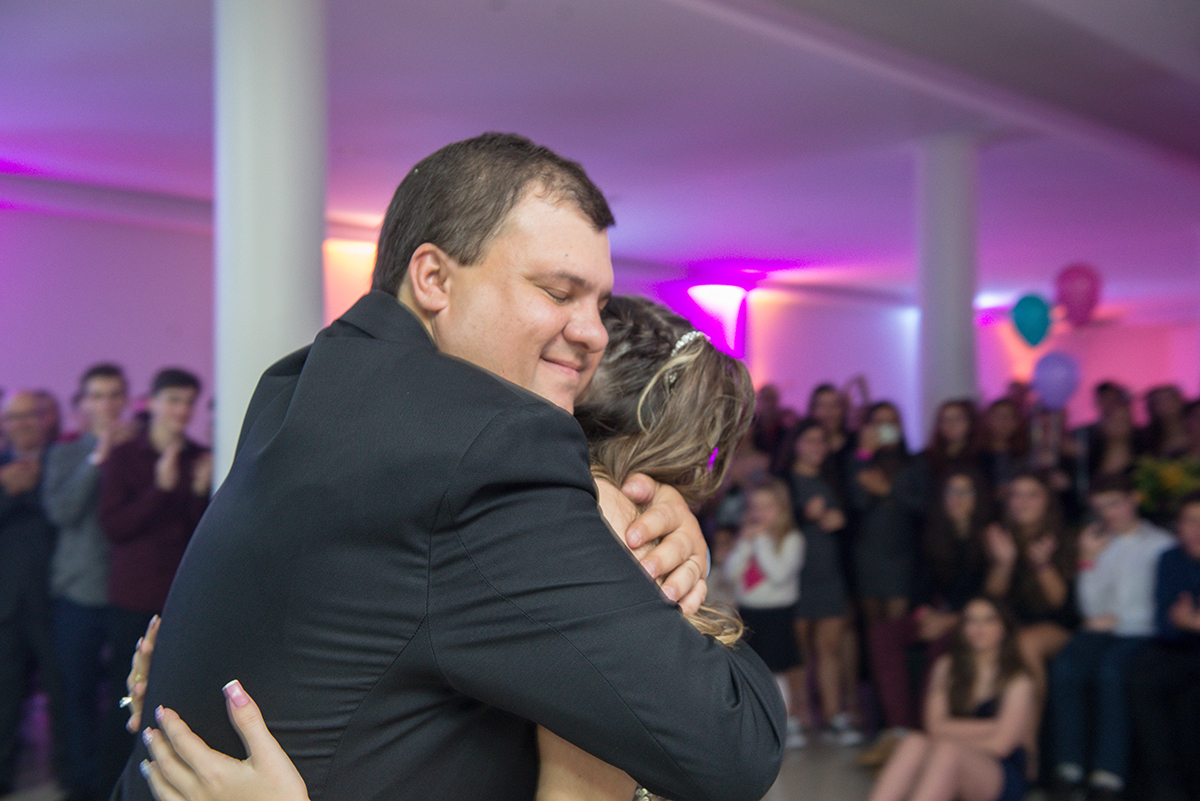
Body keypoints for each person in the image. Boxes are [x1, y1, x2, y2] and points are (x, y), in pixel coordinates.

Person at [115, 133, 783, 801]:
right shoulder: (492, 451)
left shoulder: (297, 385)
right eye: (559, 291)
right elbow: (736, 743)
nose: (594, 331)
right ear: (433, 277)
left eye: (600, 304)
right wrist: (669, 587)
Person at [99, 368, 211, 796]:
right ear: (154, 403)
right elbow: (113, 527)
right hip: (132, 596)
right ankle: (114, 785)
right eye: (173, 400)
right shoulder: (127, 456)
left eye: (188, 402)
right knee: (125, 699)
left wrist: (201, 493)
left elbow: (202, 538)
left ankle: (162, 784)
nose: (181, 410)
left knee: (172, 697)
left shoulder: (197, 456)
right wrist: (160, 490)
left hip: (176, 598)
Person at [1049, 473, 1173, 801]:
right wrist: (1087, 560)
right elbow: (1089, 609)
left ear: (1133, 499)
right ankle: (1069, 769)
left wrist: (1119, 621)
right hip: (1105, 630)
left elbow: (1161, 606)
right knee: (1065, 667)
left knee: (1111, 672)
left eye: (1115, 504)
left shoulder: (1160, 544)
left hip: (1142, 632)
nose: (1109, 514)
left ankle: (1109, 775)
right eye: (1101, 507)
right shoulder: (1098, 541)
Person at [42, 364, 133, 801]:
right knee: (75, 692)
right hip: (77, 591)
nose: (106, 404)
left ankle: (115, 778)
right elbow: (62, 511)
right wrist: (98, 455)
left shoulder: (140, 451)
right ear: (82, 404)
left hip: (126, 593)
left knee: (124, 695)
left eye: (114, 394)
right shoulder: (65, 453)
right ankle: (83, 781)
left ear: (126, 400)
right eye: (96, 395)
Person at [867, 596, 1037, 801]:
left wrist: (950, 735)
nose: (979, 628)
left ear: (1004, 628)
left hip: (999, 771)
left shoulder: (1018, 679)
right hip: (952, 756)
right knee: (914, 741)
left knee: (948, 751)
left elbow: (1001, 745)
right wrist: (992, 726)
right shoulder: (947, 666)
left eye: (988, 620)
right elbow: (934, 726)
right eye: (971, 621)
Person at [0, 389, 64, 796]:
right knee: (4, 702)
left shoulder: (66, 460)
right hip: (6, 606)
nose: (21, 423)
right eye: (13, 417)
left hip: (58, 603)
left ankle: (73, 780)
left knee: (65, 701)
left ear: (46, 418)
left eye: (29, 415)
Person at [786, 418, 860, 745]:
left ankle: (834, 717)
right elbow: (765, 518)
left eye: (822, 441)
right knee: (798, 653)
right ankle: (799, 718)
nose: (816, 447)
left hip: (829, 574)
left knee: (829, 649)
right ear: (796, 445)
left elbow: (856, 521)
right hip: (793, 578)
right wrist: (804, 516)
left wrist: (842, 522)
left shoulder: (835, 479)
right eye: (809, 440)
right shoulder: (784, 481)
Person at [1126, 491, 1200, 801]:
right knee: (1143, 679)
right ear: (1179, 526)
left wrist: (1192, 623)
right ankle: (1164, 786)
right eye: (1191, 522)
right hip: (1178, 647)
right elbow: (1165, 620)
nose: (1197, 530)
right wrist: (1186, 623)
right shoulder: (1169, 559)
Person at [723, 479, 806, 748]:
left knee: (777, 670)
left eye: (768, 507)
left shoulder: (792, 539)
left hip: (777, 614)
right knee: (753, 669)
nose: (760, 513)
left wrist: (759, 542)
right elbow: (730, 573)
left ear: (782, 508)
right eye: (755, 507)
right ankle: (760, 722)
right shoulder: (749, 538)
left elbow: (779, 575)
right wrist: (745, 545)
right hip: (749, 612)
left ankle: (784, 721)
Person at [982, 471, 1076, 695]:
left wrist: (1042, 565)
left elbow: (1059, 604)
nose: (1023, 502)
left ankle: (1027, 726)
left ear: (1047, 502)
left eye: (1033, 495)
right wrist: (1004, 563)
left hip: (1058, 626)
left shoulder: (1064, 538)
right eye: (1016, 495)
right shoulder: (1000, 537)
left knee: (1025, 643)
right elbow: (992, 598)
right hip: (1011, 622)